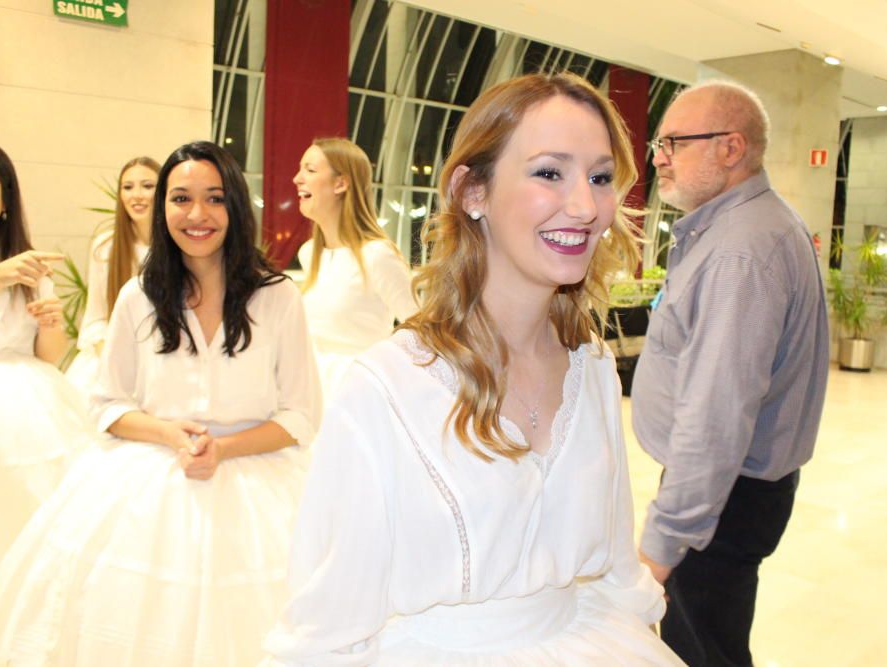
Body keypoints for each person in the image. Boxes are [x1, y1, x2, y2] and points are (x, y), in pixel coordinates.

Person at [261, 73, 683, 666]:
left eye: (600, 176)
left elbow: (616, 568)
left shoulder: (593, 368)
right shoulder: (385, 387)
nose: (586, 206)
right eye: (548, 172)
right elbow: (328, 622)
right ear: (471, 191)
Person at [0, 141, 322, 667]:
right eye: (180, 198)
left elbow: (300, 415)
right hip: (149, 481)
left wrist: (222, 449)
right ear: (162, 210)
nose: (196, 214)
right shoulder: (138, 295)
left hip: (260, 482)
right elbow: (106, 404)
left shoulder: (277, 296)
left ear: (237, 208)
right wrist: (171, 434)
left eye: (214, 198)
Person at [632, 80, 829, 667]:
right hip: (731, 490)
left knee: (702, 651)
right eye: (658, 144)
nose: (660, 157)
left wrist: (664, 544)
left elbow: (716, 414)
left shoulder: (742, 251)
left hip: (723, 494)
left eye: (675, 142)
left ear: (731, 147)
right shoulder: (740, 230)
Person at [0, 136, 93, 662]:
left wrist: (51, 325)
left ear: (4, 201)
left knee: (28, 541)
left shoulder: (28, 268)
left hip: (27, 411)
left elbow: (47, 356)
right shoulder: (2, 269)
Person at [293, 137, 418, 395]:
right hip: (311, 399)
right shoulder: (310, 256)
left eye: (310, 169)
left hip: (358, 400)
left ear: (340, 183)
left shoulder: (377, 256)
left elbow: (422, 332)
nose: (297, 178)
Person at [66, 156, 160, 394]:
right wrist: (112, 358)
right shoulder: (105, 247)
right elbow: (95, 317)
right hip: (112, 354)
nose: (136, 195)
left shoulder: (181, 248)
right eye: (128, 187)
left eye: (147, 186)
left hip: (165, 357)